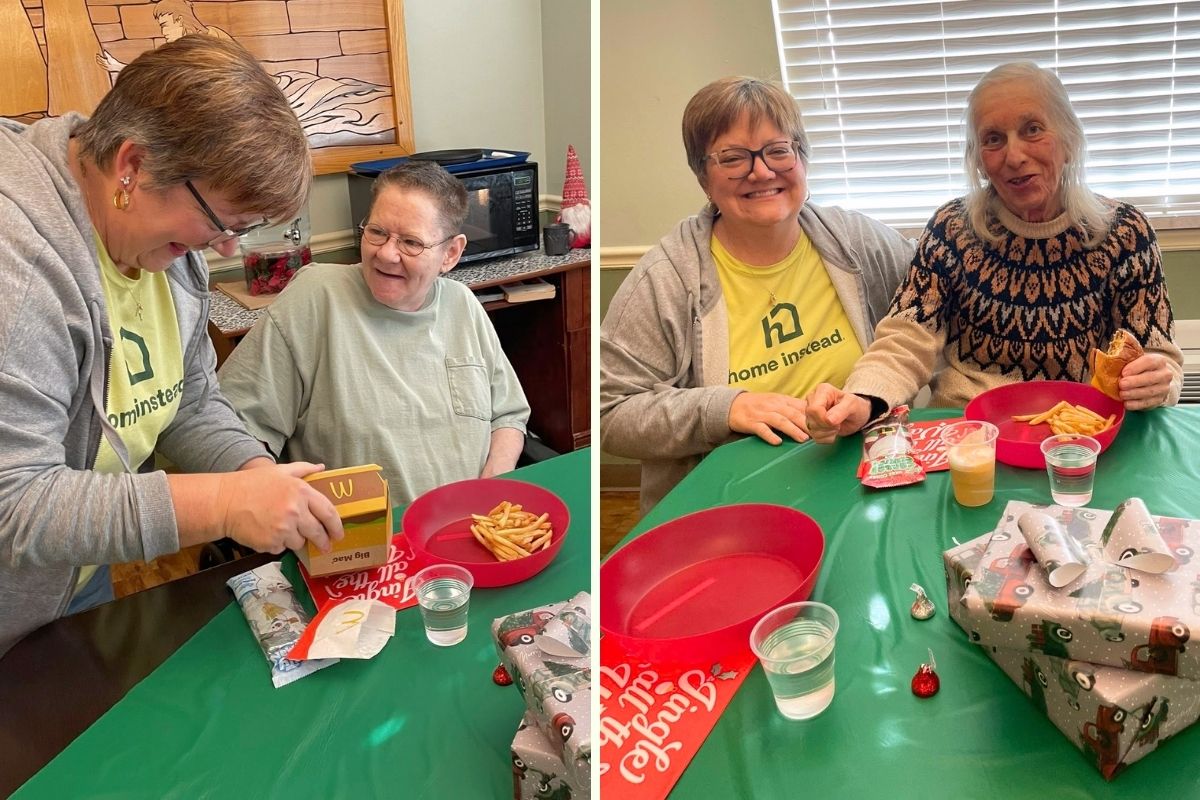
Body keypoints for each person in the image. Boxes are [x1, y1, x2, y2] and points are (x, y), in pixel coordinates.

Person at [0, 35, 346, 656]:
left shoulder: (162, 248)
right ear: (132, 166)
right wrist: (226, 504)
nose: (228, 250)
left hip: (69, 578)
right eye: (221, 224)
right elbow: (15, 504)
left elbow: (187, 402)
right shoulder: (19, 268)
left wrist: (254, 472)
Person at [805, 62, 1184, 443]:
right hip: (968, 434)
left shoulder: (1125, 231)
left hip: (1081, 438)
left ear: (1068, 141)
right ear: (979, 160)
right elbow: (906, 337)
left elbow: (1156, 355)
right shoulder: (950, 230)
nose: (1014, 155)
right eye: (993, 139)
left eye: (1032, 129)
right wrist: (863, 397)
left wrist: (1157, 382)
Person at [599, 76, 916, 514]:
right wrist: (725, 409)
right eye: (733, 158)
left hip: (867, 487)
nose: (762, 171)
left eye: (778, 150)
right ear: (702, 178)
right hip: (729, 509)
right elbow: (609, 413)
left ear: (802, 158)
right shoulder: (665, 280)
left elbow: (929, 308)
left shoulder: (857, 241)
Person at [218, 161, 531, 505]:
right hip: (360, 542)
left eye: (411, 242)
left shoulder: (463, 305)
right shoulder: (316, 297)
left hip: (469, 529)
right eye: (377, 232)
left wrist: (491, 491)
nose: (386, 254)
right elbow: (233, 425)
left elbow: (508, 415)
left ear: (450, 253)